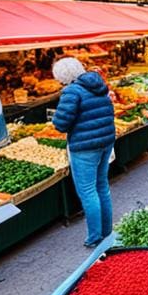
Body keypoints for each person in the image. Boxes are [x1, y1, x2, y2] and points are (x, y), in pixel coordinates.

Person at [51, 58, 115, 247]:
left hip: (84, 147)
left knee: (87, 191)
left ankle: (95, 237)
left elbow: (61, 123)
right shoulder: (97, 84)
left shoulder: (72, 91)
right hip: (106, 141)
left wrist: (56, 119)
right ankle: (107, 231)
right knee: (102, 186)